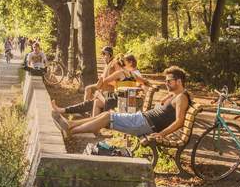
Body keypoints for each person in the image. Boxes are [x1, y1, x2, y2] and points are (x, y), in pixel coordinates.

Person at [52, 66, 192, 140]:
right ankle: (71, 125)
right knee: (107, 113)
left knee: (107, 116)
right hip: (142, 119)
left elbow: (179, 122)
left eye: (169, 81)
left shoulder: (181, 98)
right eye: (166, 80)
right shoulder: (176, 95)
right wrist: (167, 96)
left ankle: (72, 130)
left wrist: (162, 134)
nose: (166, 83)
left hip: (145, 124)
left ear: (179, 81)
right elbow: (168, 105)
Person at [52, 53, 151, 117]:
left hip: (118, 100)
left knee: (97, 95)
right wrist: (149, 88)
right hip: (126, 100)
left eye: (114, 65)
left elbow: (104, 81)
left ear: (118, 65)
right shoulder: (132, 74)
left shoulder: (119, 73)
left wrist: (107, 76)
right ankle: (68, 112)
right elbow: (145, 82)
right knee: (95, 102)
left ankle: (65, 110)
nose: (113, 67)